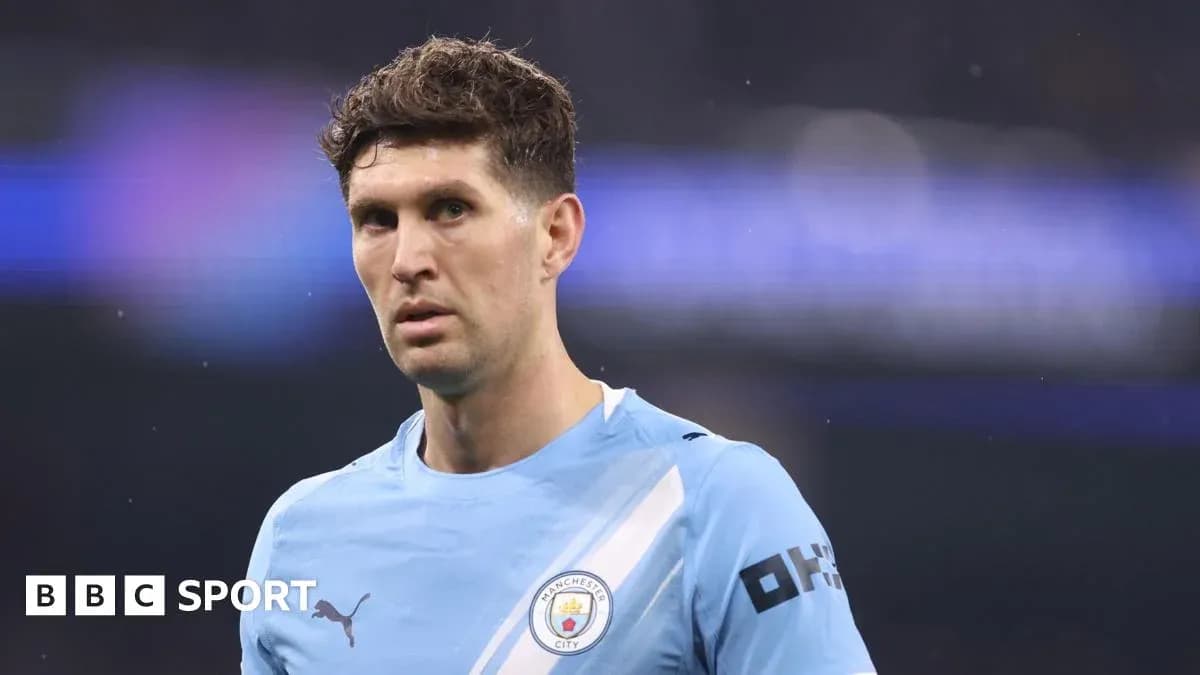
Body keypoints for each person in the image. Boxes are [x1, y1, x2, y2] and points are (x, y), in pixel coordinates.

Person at [240, 36, 875, 675]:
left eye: (451, 209)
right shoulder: (300, 537)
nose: (408, 262)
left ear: (556, 235)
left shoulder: (716, 504)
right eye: (377, 220)